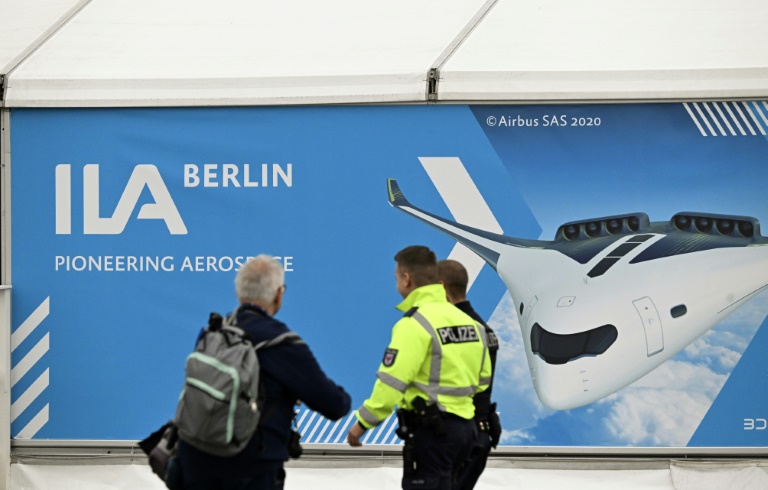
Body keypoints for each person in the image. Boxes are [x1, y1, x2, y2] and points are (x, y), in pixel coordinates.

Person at [178, 254, 351, 490]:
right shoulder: (281, 342)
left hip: (194, 461)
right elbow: (334, 405)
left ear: (240, 291)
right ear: (279, 293)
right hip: (249, 469)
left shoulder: (214, 332)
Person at [347, 245, 492, 490]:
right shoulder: (471, 324)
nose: (396, 286)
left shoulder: (415, 324)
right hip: (465, 433)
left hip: (433, 434)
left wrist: (363, 423)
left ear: (406, 279)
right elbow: (483, 379)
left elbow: (392, 383)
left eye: (396, 279)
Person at [437, 259, 500, 490]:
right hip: (478, 435)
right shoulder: (486, 330)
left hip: (455, 438)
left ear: (442, 288)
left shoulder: (451, 333)